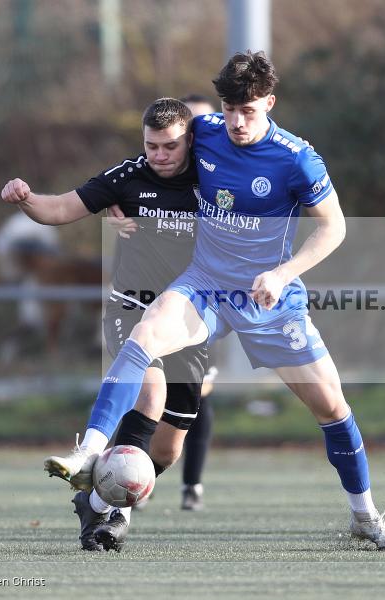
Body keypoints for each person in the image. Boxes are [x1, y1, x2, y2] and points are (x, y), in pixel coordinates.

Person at [43, 51, 385, 553]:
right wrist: (118, 201)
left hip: (270, 300)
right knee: (144, 337)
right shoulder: (206, 131)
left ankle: (364, 516)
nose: (237, 122)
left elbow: (335, 227)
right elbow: (157, 162)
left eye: (250, 111)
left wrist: (284, 273)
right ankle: (88, 452)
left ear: (270, 104)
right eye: (230, 109)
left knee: (333, 408)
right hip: (204, 285)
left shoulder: (296, 158)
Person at [1, 98, 210, 551]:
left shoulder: (211, 179)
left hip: (188, 321)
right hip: (131, 310)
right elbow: (60, 209)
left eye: (170, 146)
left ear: (189, 140)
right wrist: (27, 199)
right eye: (151, 145)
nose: (159, 155)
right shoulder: (127, 177)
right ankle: (113, 514)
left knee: (168, 449)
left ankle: (95, 500)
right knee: (150, 392)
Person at [177, 92, 218, 512]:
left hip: (209, 297)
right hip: (155, 296)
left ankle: (193, 484)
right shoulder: (157, 170)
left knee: (199, 392)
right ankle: (131, 473)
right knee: (142, 390)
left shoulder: (225, 174)